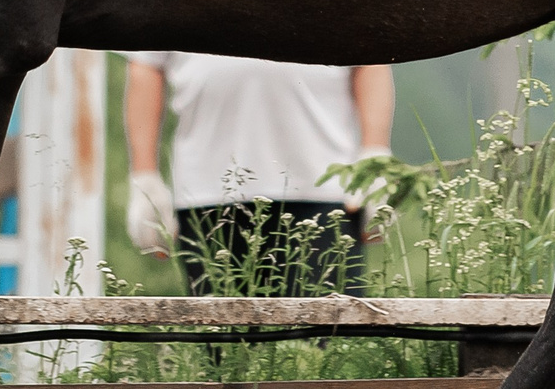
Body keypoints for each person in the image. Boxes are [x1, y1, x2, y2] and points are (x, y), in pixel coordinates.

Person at [122, 53, 394, 296]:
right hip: (206, 193)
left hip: (323, 190)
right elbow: (146, 64)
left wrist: (374, 155)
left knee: (331, 329)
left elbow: (370, 57)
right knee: (221, 332)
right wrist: (145, 178)